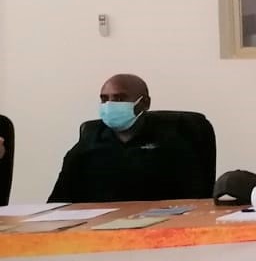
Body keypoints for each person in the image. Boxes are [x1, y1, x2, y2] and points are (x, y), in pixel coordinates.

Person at [48, 74, 211, 204]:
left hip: (159, 223)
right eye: (104, 99)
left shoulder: (173, 139)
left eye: (119, 99)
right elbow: (59, 201)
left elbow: (196, 199)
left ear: (144, 103)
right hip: (95, 226)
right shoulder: (88, 141)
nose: (109, 105)